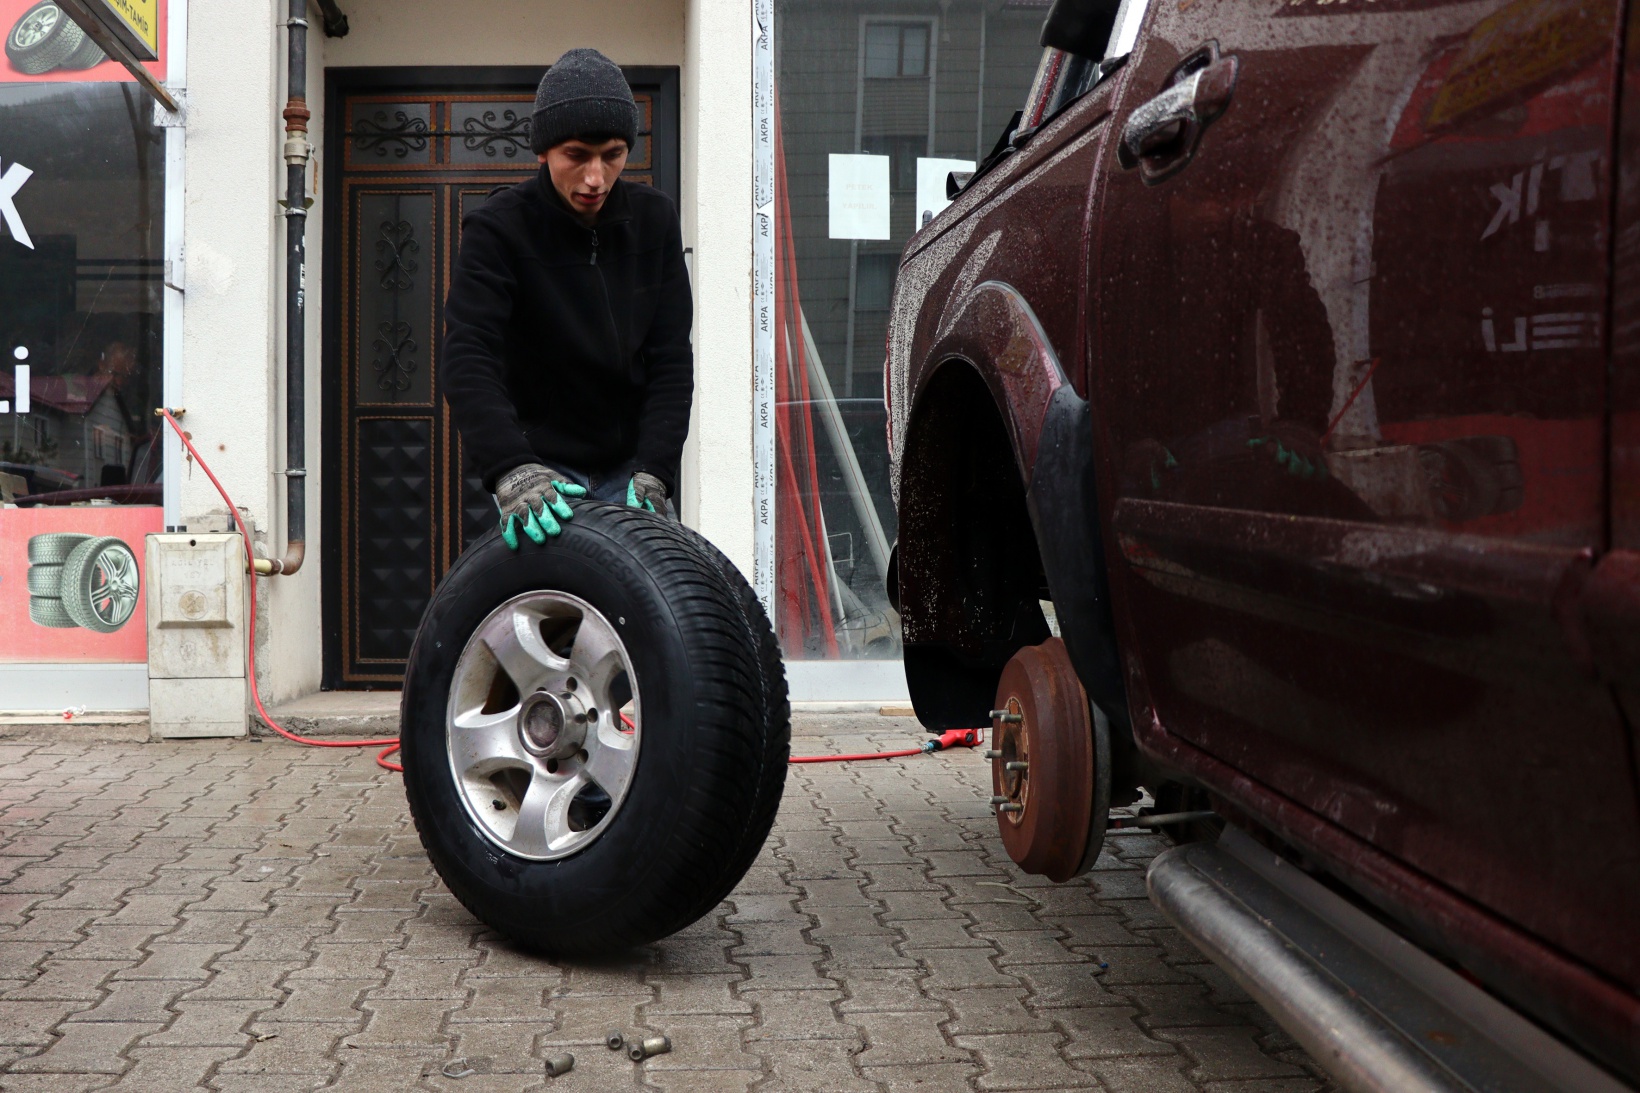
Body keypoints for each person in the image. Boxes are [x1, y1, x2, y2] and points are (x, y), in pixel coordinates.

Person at [443, 48, 693, 550]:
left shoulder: (655, 219)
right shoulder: (498, 229)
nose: (596, 178)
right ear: (543, 150)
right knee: (542, 607)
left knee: (658, 609)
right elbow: (468, 356)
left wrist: (656, 470)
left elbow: (670, 359)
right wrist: (511, 467)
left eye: (614, 154)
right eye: (577, 155)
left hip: (632, 470)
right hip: (538, 469)